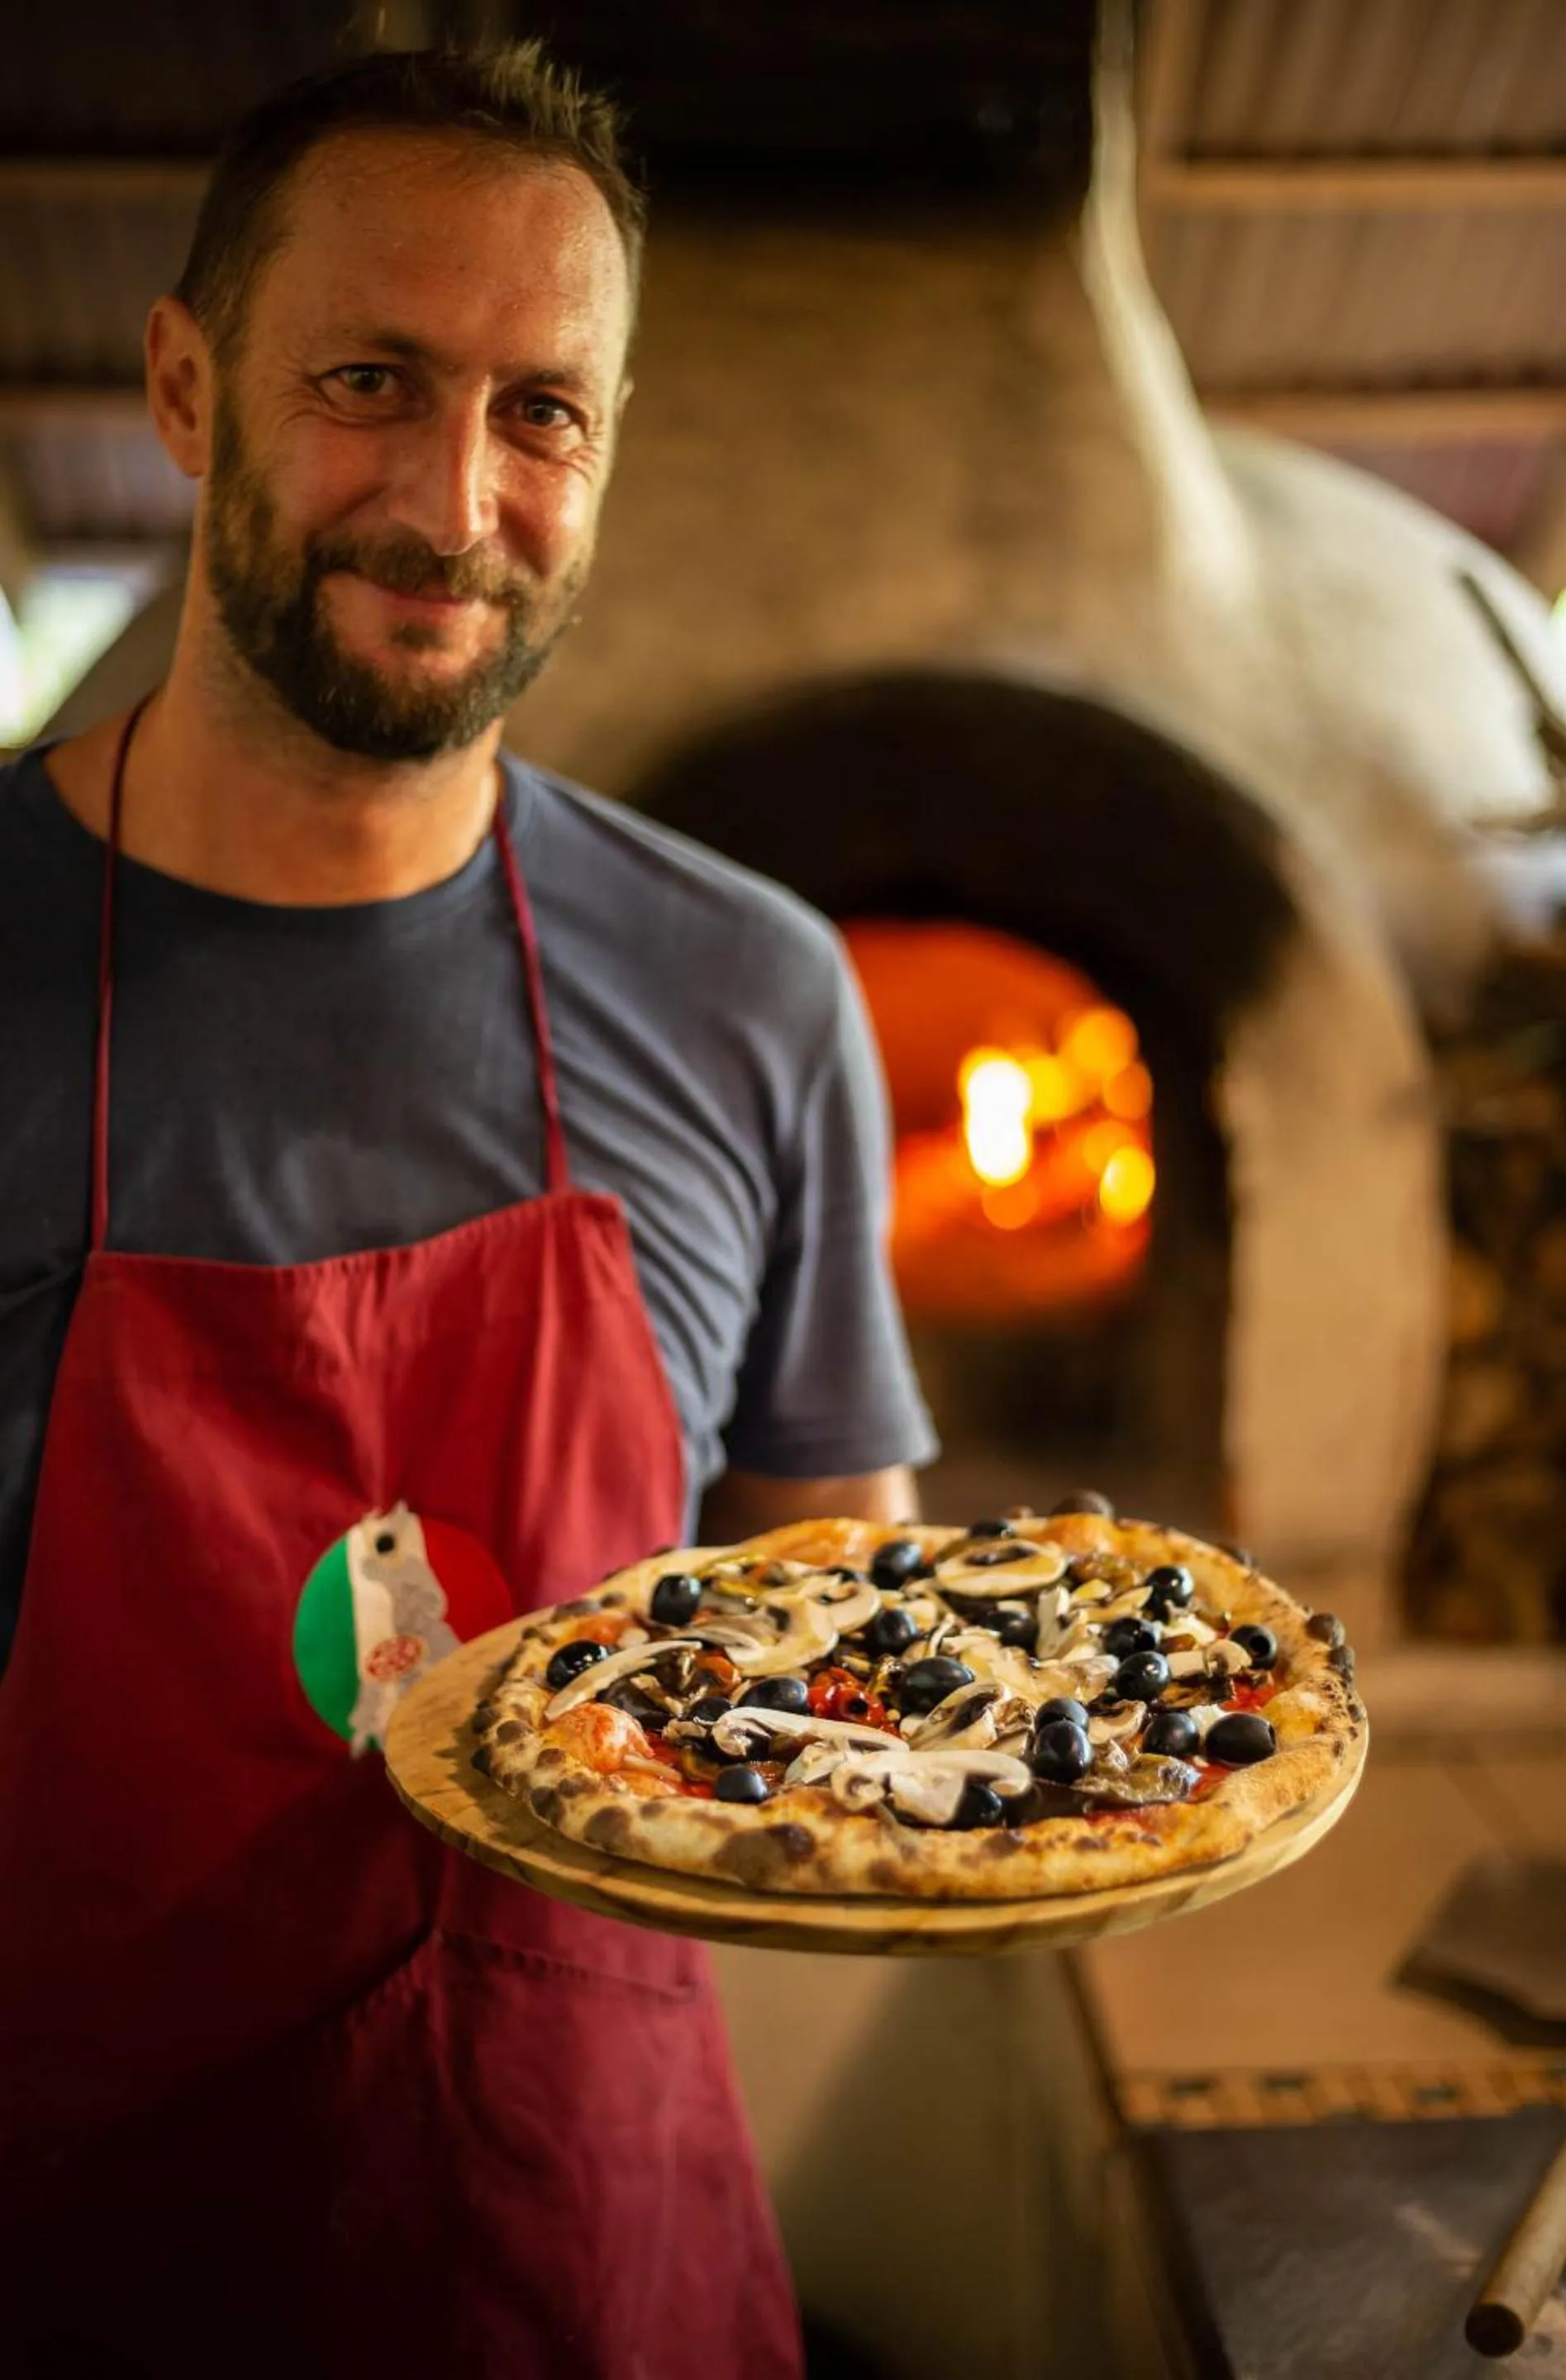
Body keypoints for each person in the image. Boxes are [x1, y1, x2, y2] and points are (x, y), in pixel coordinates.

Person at [0, 41, 935, 2379]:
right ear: (190, 388)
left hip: (590, 2269)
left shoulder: (751, 992)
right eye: (367, 379)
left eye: (544, 412)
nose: (451, 498)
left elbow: (843, 1612)